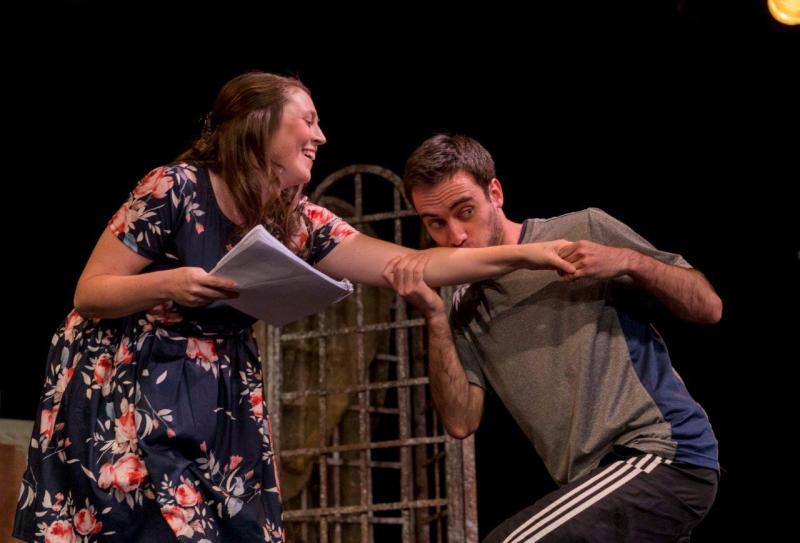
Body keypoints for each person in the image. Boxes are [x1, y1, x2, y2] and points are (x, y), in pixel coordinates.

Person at [13, 74, 576, 543]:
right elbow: (90, 292)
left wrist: (529, 254)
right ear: (260, 125)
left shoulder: (299, 220)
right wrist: (171, 283)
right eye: (308, 120)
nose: (321, 135)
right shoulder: (174, 188)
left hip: (219, 393)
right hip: (130, 383)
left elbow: (413, 263)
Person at [383, 133, 722, 542]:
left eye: (465, 211)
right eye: (436, 223)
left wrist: (627, 261)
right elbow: (460, 421)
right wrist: (435, 318)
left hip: (659, 453)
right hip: (592, 484)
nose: (455, 235)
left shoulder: (579, 230)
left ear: (495, 193)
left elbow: (708, 307)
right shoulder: (465, 305)